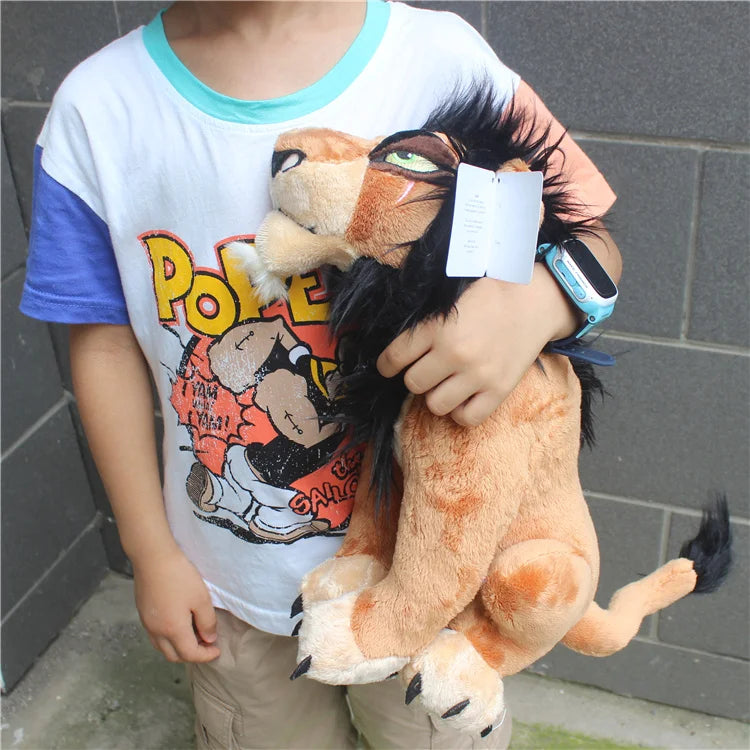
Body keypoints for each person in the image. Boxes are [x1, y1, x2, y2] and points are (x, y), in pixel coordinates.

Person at [20, 1, 620, 747]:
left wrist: (537, 305)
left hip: (434, 577)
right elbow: (102, 344)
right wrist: (149, 552)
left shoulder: (441, 57)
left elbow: (592, 233)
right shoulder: (97, 108)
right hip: (231, 578)